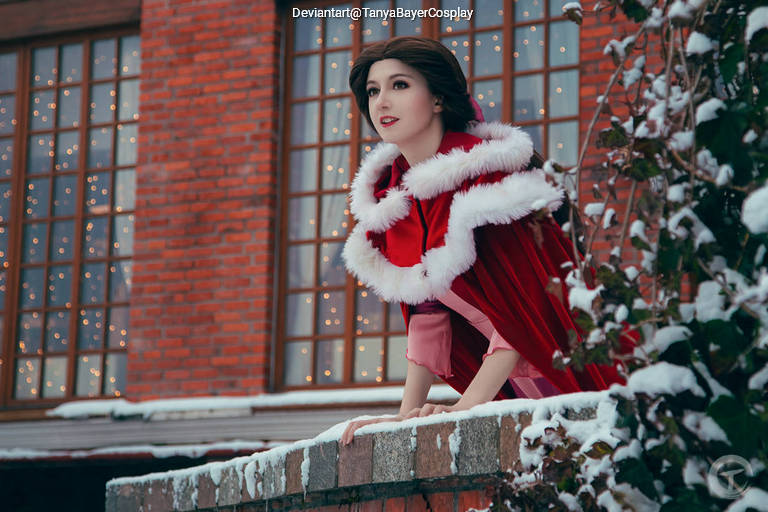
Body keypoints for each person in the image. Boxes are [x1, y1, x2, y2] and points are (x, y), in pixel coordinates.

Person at [340, 37, 627, 445]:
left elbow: (527, 304)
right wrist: (405, 416)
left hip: (571, 363)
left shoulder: (491, 180)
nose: (381, 101)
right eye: (373, 90)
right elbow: (428, 316)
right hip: (512, 384)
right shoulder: (395, 202)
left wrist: (466, 407)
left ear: (438, 99)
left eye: (399, 85)